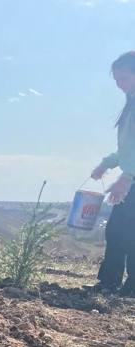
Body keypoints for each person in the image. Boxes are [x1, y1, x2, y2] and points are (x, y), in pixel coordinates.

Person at [91, 51, 135, 297]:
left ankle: (129, 289)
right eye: (116, 80)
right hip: (130, 178)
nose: (119, 85)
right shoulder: (131, 104)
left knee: (128, 232)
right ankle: (109, 283)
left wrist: (127, 178)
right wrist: (106, 164)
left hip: (132, 180)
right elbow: (128, 149)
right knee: (118, 230)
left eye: (124, 78)